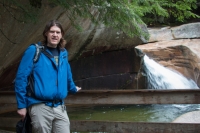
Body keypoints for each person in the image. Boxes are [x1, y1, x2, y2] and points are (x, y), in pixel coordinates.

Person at [15, 20, 81, 133]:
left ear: (61, 35)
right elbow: (21, 78)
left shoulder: (63, 53)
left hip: (59, 106)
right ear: (46, 33)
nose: (55, 35)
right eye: (52, 32)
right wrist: (21, 105)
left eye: (58, 32)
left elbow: (66, 73)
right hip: (40, 105)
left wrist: (72, 88)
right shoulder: (34, 51)